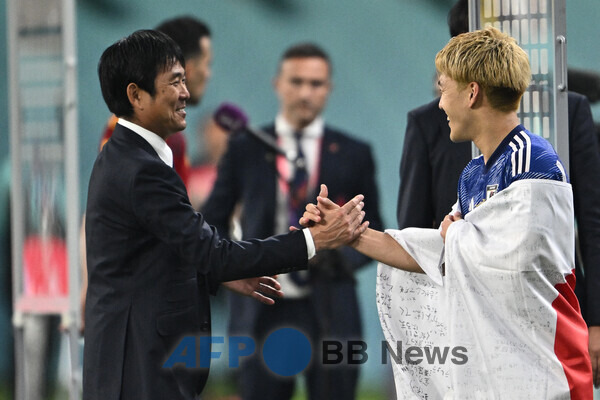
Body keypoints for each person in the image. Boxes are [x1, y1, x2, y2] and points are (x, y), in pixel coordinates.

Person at [303, 27, 592, 398]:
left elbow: (514, 261)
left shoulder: (531, 162)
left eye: (444, 88)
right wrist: (350, 233)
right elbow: (438, 253)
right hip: (502, 369)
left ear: (472, 93)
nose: (440, 104)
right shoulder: (474, 173)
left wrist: (455, 234)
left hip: (543, 369)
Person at [83, 30, 368, 400]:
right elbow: (213, 250)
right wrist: (314, 239)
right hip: (140, 368)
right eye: (174, 82)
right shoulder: (142, 169)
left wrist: (217, 272)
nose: (186, 93)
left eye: (185, 79)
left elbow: (162, 253)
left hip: (136, 361)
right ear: (136, 95)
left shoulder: (129, 156)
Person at [396, 0, 600, 391]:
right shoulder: (434, 131)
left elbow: (589, 221)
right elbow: (417, 230)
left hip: (543, 317)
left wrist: (596, 319)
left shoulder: (552, 131)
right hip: (464, 323)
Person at [202, 42, 383, 399]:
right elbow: (212, 222)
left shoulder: (354, 153)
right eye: (296, 81)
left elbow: (372, 225)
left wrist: (337, 256)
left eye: (316, 84)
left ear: (328, 88)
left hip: (331, 305)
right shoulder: (246, 148)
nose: (305, 92)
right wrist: (236, 266)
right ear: (277, 84)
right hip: (262, 304)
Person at [98, 16, 212, 187]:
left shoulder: (173, 138)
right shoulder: (131, 132)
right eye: (207, 64)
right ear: (187, 68)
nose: (208, 74)